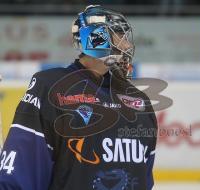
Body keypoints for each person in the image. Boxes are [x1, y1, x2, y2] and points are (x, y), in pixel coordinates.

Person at [0, 5, 157, 190]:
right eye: (120, 37)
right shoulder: (51, 87)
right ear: (98, 39)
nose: (127, 46)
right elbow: (22, 172)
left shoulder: (140, 103)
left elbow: (143, 179)